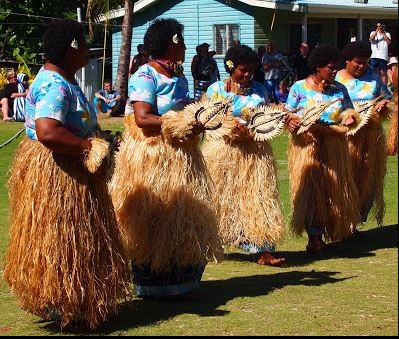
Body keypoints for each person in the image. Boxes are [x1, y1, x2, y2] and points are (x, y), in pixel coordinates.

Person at [3, 19, 130, 330]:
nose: (88, 50)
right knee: (63, 235)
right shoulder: (54, 85)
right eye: (84, 44)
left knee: (75, 235)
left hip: (73, 169)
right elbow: (48, 132)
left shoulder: (62, 80)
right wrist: (89, 146)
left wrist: (104, 139)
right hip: (62, 173)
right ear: (72, 49)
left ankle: (72, 302)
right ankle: (66, 303)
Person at [109, 18, 222, 298]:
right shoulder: (145, 76)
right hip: (154, 158)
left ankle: (181, 279)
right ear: (170, 45)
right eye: (180, 42)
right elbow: (143, 118)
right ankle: (152, 283)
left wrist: (199, 118)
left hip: (181, 157)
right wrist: (178, 123)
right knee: (155, 216)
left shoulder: (179, 76)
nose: (184, 47)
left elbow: (185, 110)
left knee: (181, 216)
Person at [202, 44, 286, 266]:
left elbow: (266, 116)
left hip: (255, 154)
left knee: (259, 198)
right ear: (231, 67)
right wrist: (230, 127)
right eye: (243, 70)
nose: (248, 75)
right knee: (225, 200)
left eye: (251, 70)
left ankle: (263, 249)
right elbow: (206, 120)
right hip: (224, 153)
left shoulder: (260, 89)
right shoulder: (216, 90)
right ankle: (221, 238)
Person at [284, 44, 360, 253]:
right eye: (330, 67)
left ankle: (337, 228)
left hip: (334, 145)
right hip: (307, 146)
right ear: (317, 66)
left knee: (334, 188)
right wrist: (290, 121)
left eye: (336, 67)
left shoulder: (339, 88)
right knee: (312, 191)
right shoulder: (300, 87)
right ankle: (315, 237)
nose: (335, 71)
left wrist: (350, 117)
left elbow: (349, 110)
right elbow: (287, 113)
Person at [336, 40, 392, 230]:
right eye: (357, 62)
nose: (361, 66)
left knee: (366, 179)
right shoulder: (336, 80)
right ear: (347, 60)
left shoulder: (373, 78)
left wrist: (383, 106)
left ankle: (355, 219)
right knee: (346, 178)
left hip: (370, 138)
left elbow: (386, 99)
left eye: (365, 62)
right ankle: (343, 220)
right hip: (345, 139)